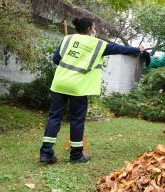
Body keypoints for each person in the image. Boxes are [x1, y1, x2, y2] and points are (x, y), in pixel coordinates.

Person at [40, 17, 145, 164]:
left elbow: (56, 59)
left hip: (59, 84)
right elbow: (120, 49)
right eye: (94, 27)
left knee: (54, 117)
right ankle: (76, 156)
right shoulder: (98, 44)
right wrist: (137, 49)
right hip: (78, 87)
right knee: (77, 120)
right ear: (89, 29)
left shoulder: (68, 39)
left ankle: (45, 154)